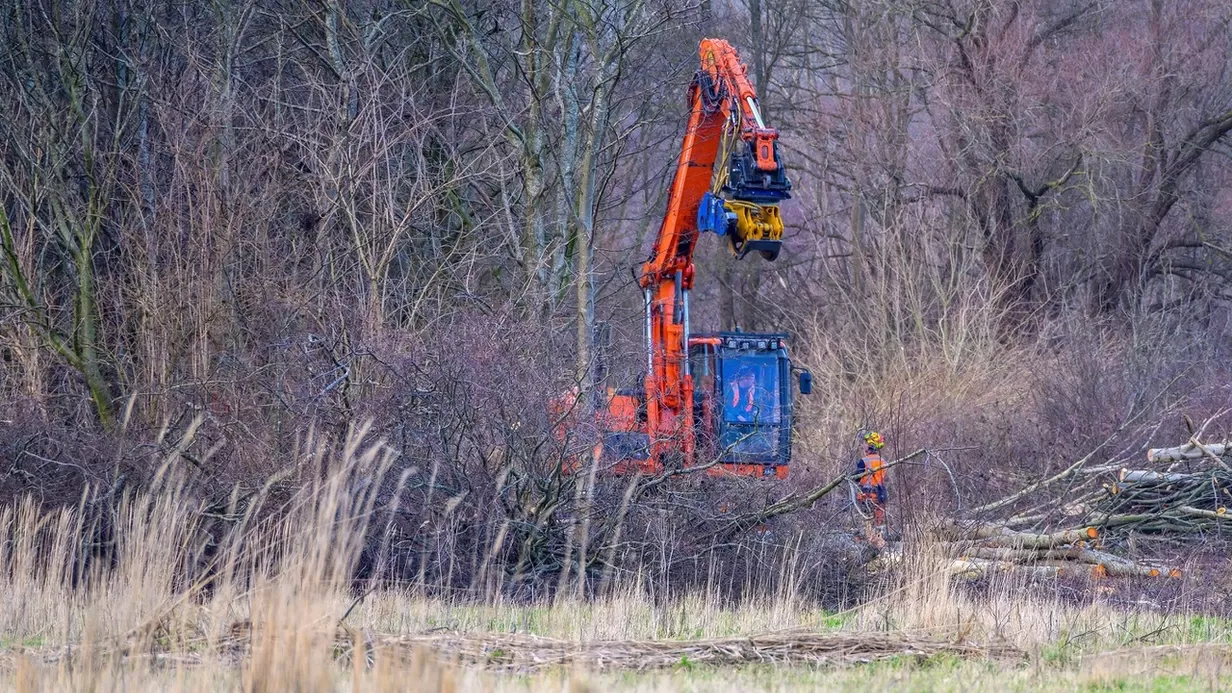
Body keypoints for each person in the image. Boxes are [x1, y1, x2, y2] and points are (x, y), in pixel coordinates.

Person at [855, 431, 888, 546]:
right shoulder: (883, 461)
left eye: (864, 443)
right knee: (878, 526)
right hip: (880, 496)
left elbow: (856, 478)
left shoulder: (863, 461)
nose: (862, 445)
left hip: (866, 497)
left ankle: (863, 549)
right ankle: (878, 548)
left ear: (870, 445)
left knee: (864, 525)